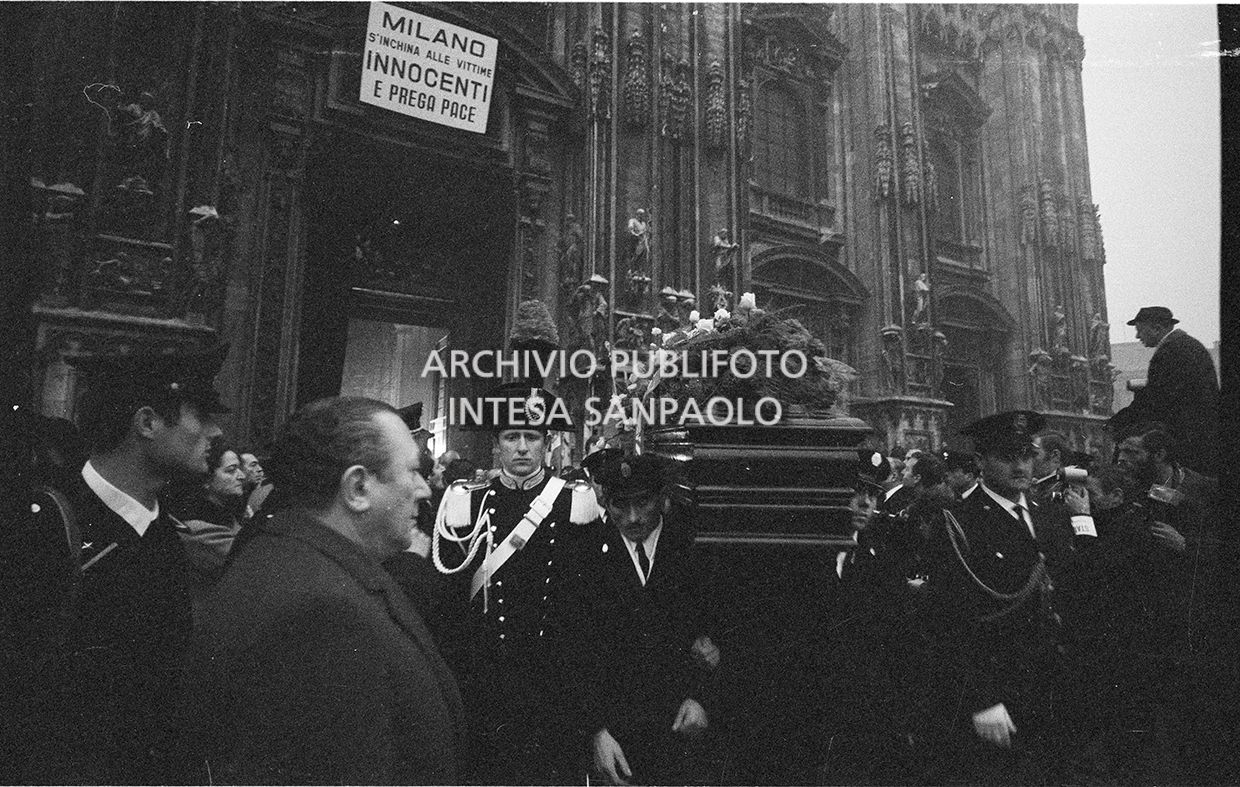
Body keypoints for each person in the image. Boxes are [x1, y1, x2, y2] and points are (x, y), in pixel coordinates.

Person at [185, 396, 463, 784]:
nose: (424, 489)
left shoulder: (300, 559)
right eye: (412, 472)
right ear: (358, 487)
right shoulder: (322, 610)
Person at [4, 343, 230, 784]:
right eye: (200, 415)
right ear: (147, 422)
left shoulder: (169, 533)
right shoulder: (44, 524)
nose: (214, 431)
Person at [430, 381, 598, 784]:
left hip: (553, 678)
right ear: (496, 445)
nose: (522, 447)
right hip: (486, 677)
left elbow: (589, 600)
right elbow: (451, 600)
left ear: (546, 443)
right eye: (511, 437)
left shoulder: (574, 499)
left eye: (531, 437)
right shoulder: (465, 500)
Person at [923, 411, 1095, 784]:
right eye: (1007, 456)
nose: (1020, 465)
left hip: (1056, 684)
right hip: (1001, 688)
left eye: (1026, 454)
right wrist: (981, 698)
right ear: (982, 462)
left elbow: (1069, 593)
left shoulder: (1049, 514)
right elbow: (949, 620)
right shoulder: (959, 523)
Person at [562, 451, 717, 785]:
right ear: (605, 502)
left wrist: (704, 699)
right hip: (616, 744)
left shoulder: (694, 548)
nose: (632, 518)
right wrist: (595, 732)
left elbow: (722, 636)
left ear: (662, 498)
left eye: (643, 503)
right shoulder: (584, 555)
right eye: (620, 506)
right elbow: (573, 652)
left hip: (683, 734)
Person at [1108, 306, 1219, 475]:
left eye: (1140, 330)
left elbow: (1154, 400)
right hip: (1203, 433)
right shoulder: (1188, 345)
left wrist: (1119, 422)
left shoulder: (1170, 351)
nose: (1138, 336)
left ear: (1157, 329)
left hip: (1187, 436)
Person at [169, 442, 246, 612]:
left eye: (240, 469)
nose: (241, 476)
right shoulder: (197, 525)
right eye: (231, 470)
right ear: (206, 480)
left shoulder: (225, 513)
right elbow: (248, 560)